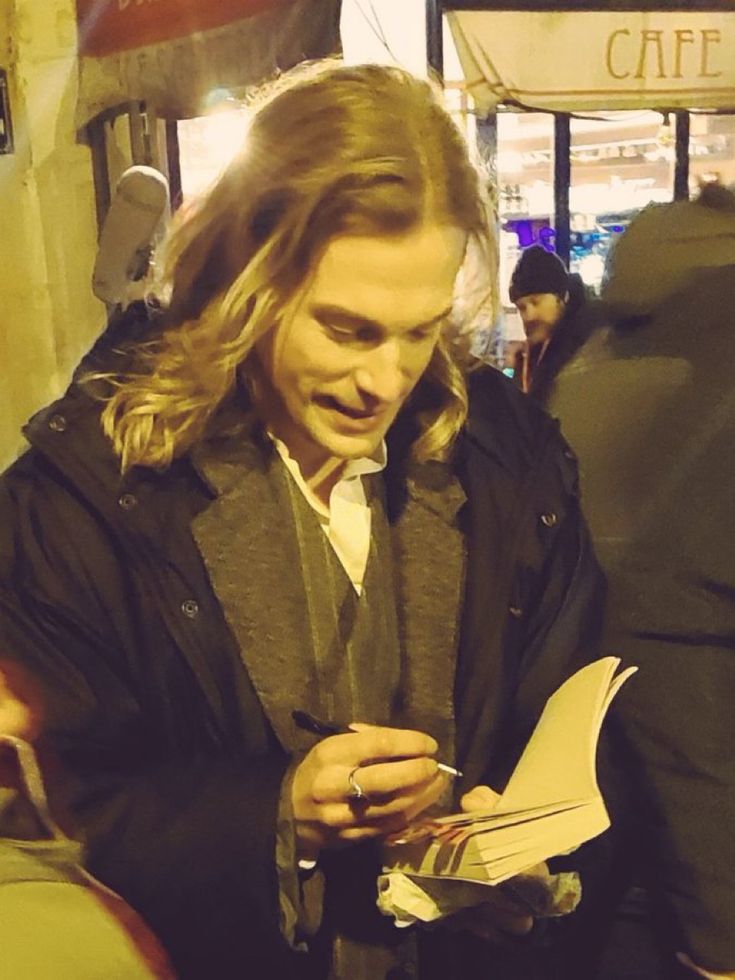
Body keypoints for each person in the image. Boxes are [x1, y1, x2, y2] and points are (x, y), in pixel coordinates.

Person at [0, 63, 603, 979]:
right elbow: (47, 823)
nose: (388, 380)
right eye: (349, 329)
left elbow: (582, 742)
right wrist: (275, 815)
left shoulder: (510, 463)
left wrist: (524, 859)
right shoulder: (89, 493)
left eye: (420, 330)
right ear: (248, 279)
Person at [546, 220, 735, 978]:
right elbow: (673, 627)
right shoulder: (712, 358)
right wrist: (722, 934)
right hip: (682, 788)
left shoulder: (603, 346)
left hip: (593, 751)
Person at [508, 244, 597, 401]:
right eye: (522, 308)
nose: (529, 316)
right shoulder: (529, 356)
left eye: (536, 302)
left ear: (563, 298)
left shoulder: (588, 349)